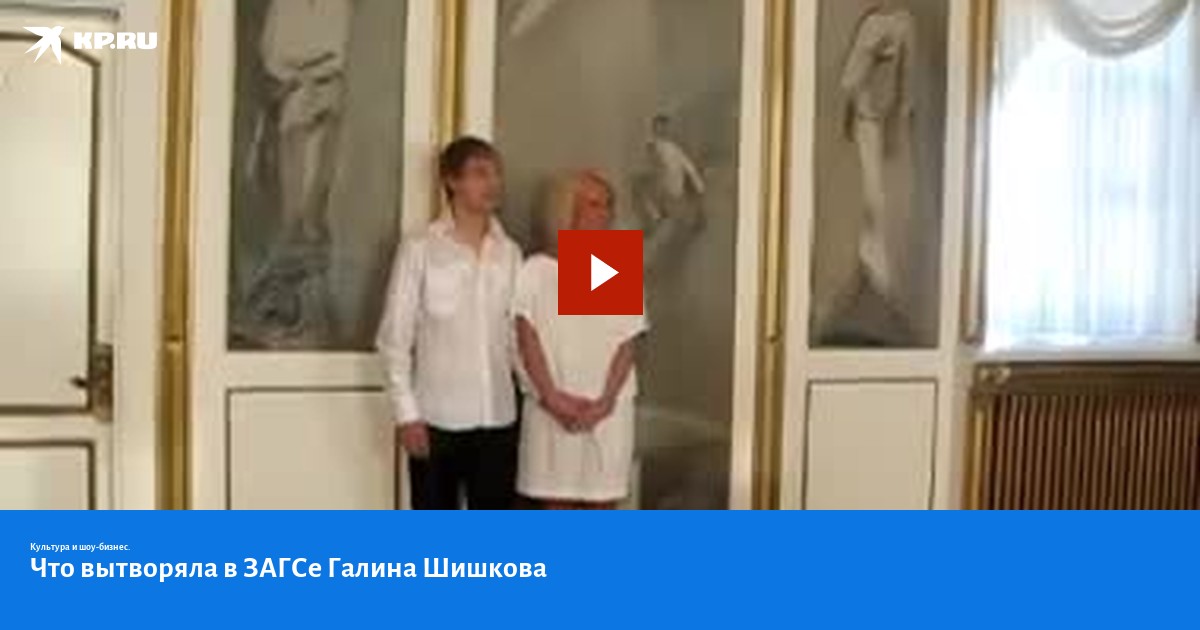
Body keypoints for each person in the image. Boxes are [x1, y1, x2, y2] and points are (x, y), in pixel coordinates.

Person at [376, 137, 522, 509]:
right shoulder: (420, 248)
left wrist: (553, 398)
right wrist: (406, 414)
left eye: (497, 173)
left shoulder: (511, 252)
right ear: (452, 180)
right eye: (480, 173)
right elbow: (394, 340)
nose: (493, 183)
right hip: (437, 419)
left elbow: (518, 338)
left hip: (499, 417)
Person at [513, 171, 647, 509]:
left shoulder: (609, 265)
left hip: (607, 412)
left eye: (608, 205)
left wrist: (604, 402)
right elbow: (525, 342)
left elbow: (626, 342)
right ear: (565, 208)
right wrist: (552, 398)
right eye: (594, 204)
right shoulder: (536, 270)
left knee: (601, 504)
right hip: (551, 411)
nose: (605, 213)